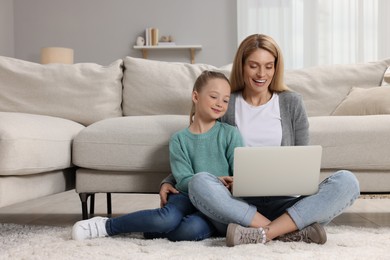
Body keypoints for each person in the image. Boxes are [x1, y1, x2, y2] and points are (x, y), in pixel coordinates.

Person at [160, 34, 360, 247]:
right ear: (242, 66)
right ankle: (284, 232)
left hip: (286, 203)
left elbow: (302, 160)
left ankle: (262, 232)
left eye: (268, 66)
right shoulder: (228, 103)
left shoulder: (292, 103)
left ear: (276, 68)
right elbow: (200, 143)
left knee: (348, 182)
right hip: (236, 205)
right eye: (254, 66)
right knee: (200, 182)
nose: (261, 74)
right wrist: (169, 181)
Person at [71, 70, 244, 242]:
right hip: (185, 195)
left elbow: (240, 174)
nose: (220, 103)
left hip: (217, 201)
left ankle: (151, 229)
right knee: (166, 219)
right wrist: (213, 179)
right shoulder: (179, 139)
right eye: (214, 96)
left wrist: (230, 182)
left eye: (226, 100)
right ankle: (106, 226)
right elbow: (183, 179)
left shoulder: (230, 134)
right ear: (196, 97)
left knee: (190, 230)